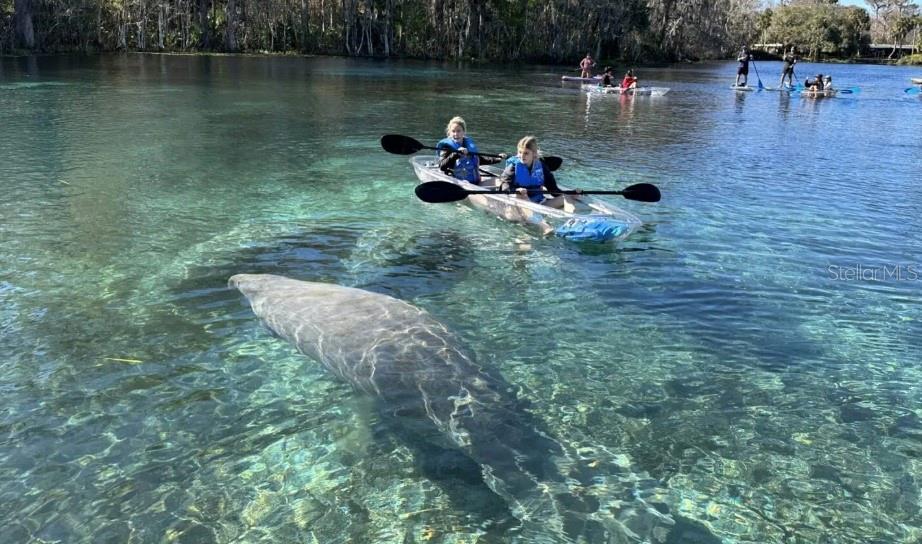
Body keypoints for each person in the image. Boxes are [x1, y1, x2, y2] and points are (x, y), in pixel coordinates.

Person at [500, 136, 569, 208]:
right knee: (521, 195)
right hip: (519, 201)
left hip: (539, 202)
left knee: (567, 198)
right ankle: (536, 216)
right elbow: (505, 187)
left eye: (526, 153)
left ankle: (572, 218)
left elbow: (553, 190)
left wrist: (569, 193)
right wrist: (516, 191)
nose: (522, 156)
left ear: (534, 153)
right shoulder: (513, 167)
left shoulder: (542, 167)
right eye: (520, 152)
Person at [436, 116, 504, 185]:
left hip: (474, 183)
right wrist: (456, 154)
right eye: (453, 131)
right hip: (456, 183)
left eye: (458, 131)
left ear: (464, 132)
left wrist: (498, 158)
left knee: (501, 181)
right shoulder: (446, 147)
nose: (456, 134)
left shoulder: (469, 145)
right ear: (450, 132)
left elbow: (479, 159)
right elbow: (442, 166)